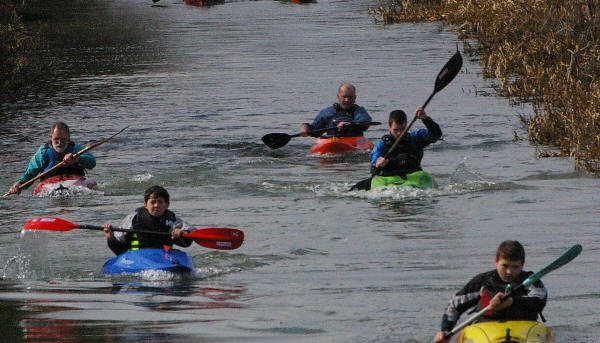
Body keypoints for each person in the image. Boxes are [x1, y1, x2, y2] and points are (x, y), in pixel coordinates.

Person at [433, 240, 548, 343]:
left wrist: (511, 302)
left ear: (522, 265)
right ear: (496, 261)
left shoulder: (530, 281)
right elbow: (455, 304)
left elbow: (539, 300)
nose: (509, 272)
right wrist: (445, 330)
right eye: (505, 265)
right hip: (486, 330)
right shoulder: (483, 282)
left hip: (525, 329)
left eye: (515, 267)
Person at [7, 122, 96, 194]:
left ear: (69, 139)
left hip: (75, 185)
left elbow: (92, 162)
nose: (59, 142)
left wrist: (77, 158)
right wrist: (19, 184)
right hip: (50, 187)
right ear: (51, 138)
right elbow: (30, 173)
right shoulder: (43, 152)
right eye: (56, 139)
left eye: (63, 139)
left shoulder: (76, 149)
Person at [103, 185, 193, 256]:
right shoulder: (133, 218)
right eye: (153, 202)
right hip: (137, 257)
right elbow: (120, 249)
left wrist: (182, 232)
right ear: (145, 204)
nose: (156, 205)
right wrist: (110, 237)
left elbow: (190, 233)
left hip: (164, 257)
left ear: (167, 205)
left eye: (160, 202)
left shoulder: (173, 220)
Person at [370, 107, 441, 177]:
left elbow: (436, 134)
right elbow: (373, 169)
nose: (399, 133)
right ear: (389, 126)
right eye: (396, 130)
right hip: (390, 179)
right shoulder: (381, 145)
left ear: (406, 125)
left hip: (414, 177)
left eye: (402, 129)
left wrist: (425, 118)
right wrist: (377, 164)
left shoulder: (416, 138)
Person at [299, 83, 372, 138]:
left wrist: (348, 124)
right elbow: (314, 130)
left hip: (353, 141)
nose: (347, 100)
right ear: (338, 97)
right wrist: (305, 127)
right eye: (344, 97)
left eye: (350, 97)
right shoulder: (327, 113)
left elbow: (364, 121)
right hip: (332, 141)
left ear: (355, 98)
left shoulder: (359, 111)